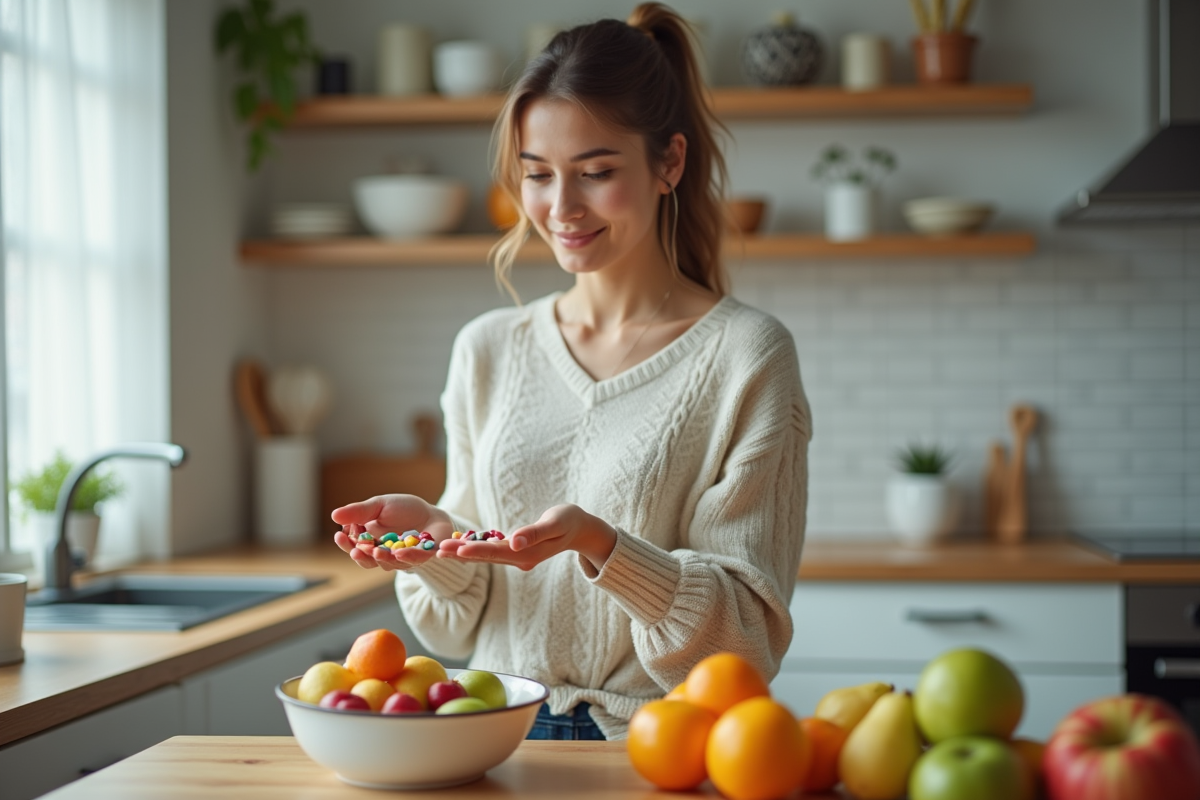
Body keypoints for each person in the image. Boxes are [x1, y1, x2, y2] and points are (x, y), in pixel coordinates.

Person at [332, 2, 811, 741]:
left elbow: (746, 641)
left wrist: (606, 548)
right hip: (486, 739)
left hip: (653, 753)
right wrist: (432, 543)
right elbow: (459, 631)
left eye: (595, 172)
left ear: (670, 164)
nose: (561, 208)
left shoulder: (747, 355)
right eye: (538, 175)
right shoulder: (488, 349)